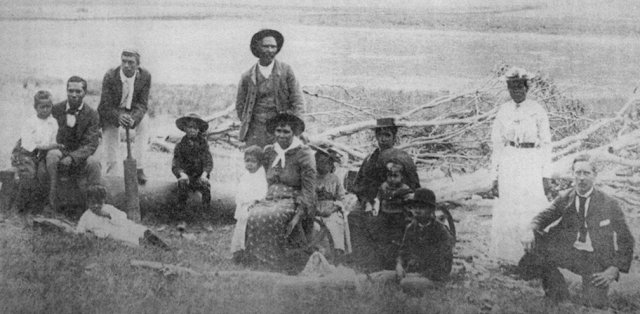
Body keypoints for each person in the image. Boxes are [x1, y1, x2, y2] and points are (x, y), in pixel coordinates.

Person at [518, 155, 634, 309]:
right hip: (568, 252)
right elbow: (542, 218)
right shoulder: (565, 198)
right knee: (537, 243)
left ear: (595, 176)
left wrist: (614, 269)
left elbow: (626, 239)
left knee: (595, 304)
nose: (581, 178)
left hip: (595, 259)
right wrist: (530, 230)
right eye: (578, 173)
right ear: (573, 174)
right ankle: (558, 292)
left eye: (586, 173)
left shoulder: (609, 203)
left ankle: (591, 296)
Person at [489, 67, 552, 264]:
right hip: (508, 161)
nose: (516, 91)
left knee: (529, 206)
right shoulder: (503, 110)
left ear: (526, 87)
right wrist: (494, 176)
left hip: (530, 161)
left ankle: (532, 257)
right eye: (511, 87)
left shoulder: (537, 110)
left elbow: (547, 143)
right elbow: (497, 144)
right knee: (508, 207)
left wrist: (546, 174)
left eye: (519, 87)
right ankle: (508, 257)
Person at [243, 113, 316, 273]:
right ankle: (255, 262)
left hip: (291, 199)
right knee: (254, 214)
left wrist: (300, 212)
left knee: (272, 215)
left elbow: (309, 188)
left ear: (294, 133)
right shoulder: (270, 152)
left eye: (286, 132)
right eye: (278, 131)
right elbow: (253, 163)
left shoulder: (304, 154)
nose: (281, 136)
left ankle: (274, 264)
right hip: (270, 197)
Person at [236, 29, 304, 148]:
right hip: (256, 131)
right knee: (255, 162)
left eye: (273, 47)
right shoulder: (247, 76)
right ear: (258, 48)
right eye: (266, 46)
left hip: (280, 129)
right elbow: (240, 105)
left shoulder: (286, 70)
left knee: (280, 162)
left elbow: (298, 101)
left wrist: (295, 127)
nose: (270, 50)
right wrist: (249, 123)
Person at [97, 49, 152, 184]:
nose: (126, 65)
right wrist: (118, 117)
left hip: (132, 111)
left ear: (138, 65)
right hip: (112, 111)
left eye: (131, 62)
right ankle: (113, 171)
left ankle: (139, 168)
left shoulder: (145, 76)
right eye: (124, 61)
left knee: (145, 123)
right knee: (109, 130)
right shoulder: (110, 76)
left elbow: (142, 104)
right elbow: (105, 105)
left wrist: (133, 118)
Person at [48, 76, 102, 211]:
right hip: (60, 150)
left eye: (78, 91)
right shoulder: (56, 109)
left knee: (94, 163)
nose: (74, 95)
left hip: (80, 155)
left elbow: (91, 144)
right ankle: (52, 203)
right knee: (52, 155)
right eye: (71, 91)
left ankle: (93, 208)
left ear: (85, 93)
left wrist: (72, 158)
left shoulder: (92, 114)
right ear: (66, 91)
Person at [351, 117, 420, 211]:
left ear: (394, 138)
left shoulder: (403, 158)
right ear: (376, 137)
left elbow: (414, 185)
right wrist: (366, 200)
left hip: (398, 206)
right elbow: (358, 184)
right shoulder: (369, 159)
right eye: (380, 135)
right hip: (370, 205)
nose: (383, 139)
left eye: (387, 135)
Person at [11, 91, 63, 210]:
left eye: (48, 106)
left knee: (43, 173)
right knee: (29, 173)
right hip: (26, 153)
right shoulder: (30, 122)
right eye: (42, 107)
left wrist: (52, 147)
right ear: (35, 107)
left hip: (42, 154)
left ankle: (38, 205)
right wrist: (49, 147)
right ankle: (19, 205)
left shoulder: (53, 122)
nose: (45, 110)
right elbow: (28, 144)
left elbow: (52, 141)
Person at [77, 185, 170, 250]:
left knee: (142, 231)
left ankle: (164, 247)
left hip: (123, 226)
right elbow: (80, 229)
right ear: (87, 202)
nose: (96, 206)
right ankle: (145, 247)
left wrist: (109, 215)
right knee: (127, 241)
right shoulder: (87, 215)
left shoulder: (108, 208)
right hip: (112, 234)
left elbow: (123, 217)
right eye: (93, 203)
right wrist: (85, 234)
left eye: (99, 203)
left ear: (104, 200)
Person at [396, 188, 455, 282]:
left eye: (422, 207)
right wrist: (399, 265)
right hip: (412, 273)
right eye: (415, 207)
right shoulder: (411, 228)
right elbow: (403, 252)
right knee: (380, 277)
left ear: (431, 210)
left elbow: (445, 264)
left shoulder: (440, 231)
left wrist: (419, 274)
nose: (417, 210)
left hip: (432, 277)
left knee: (405, 283)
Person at [311, 144, 351, 255]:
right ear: (316, 163)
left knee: (335, 224)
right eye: (321, 162)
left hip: (332, 209)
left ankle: (337, 252)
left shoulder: (335, 179)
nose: (325, 165)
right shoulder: (311, 178)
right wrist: (316, 210)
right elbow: (308, 197)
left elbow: (341, 198)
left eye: (328, 162)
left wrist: (333, 209)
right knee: (315, 227)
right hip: (316, 210)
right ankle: (318, 252)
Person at [230, 145, 268, 262]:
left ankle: (251, 253)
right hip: (244, 206)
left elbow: (263, 192)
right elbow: (240, 190)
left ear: (260, 163)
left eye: (253, 162)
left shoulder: (261, 175)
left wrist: (255, 201)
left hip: (254, 206)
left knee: (249, 228)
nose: (249, 164)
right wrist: (240, 202)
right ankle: (239, 252)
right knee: (240, 229)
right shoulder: (246, 175)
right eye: (247, 161)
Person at [171, 113, 213, 212]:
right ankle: (182, 217)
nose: (192, 130)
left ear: (199, 129)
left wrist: (204, 174)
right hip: (186, 176)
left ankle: (205, 216)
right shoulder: (180, 145)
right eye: (190, 127)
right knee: (182, 186)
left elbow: (208, 161)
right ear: (185, 128)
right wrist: (181, 174)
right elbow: (176, 164)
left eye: (195, 128)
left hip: (200, 176)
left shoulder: (203, 145)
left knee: (206, 187)